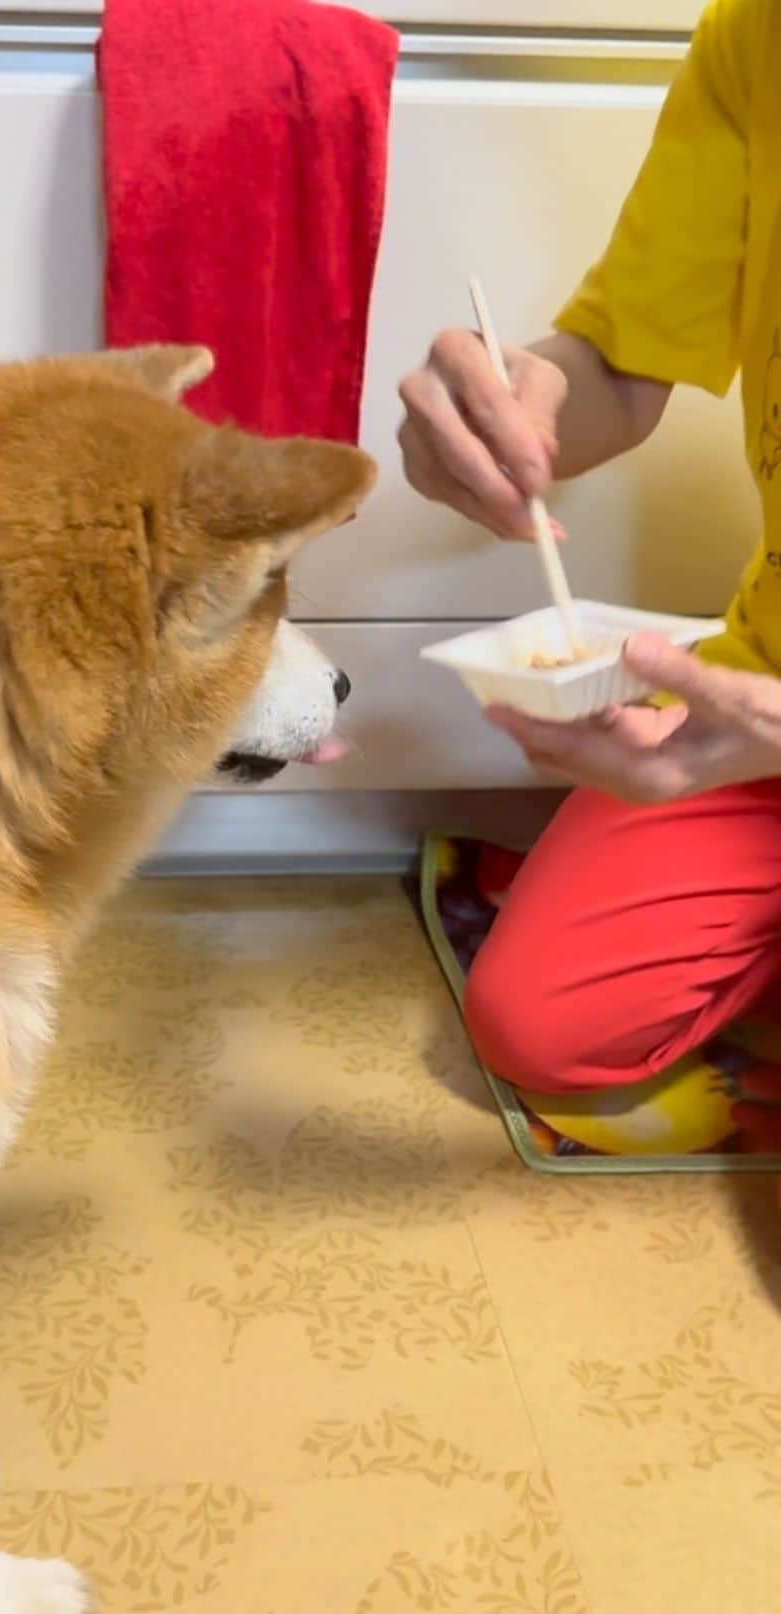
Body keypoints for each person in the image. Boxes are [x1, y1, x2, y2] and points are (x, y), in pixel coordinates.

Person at [397, 0, 781, 1101]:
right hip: (762, 699)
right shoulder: (754, 35)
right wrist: (513, 408)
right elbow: (620, 369)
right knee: (540, 1021)